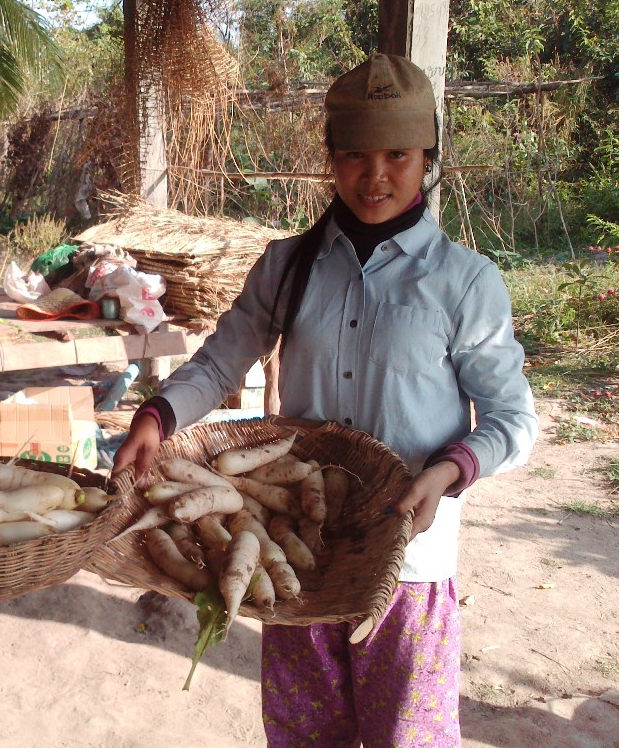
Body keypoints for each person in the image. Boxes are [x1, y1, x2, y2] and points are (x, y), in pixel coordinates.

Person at [113, 54, 538, 747]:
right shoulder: (287, 265)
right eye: (354, 156)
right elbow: (223, 358)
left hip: (409, 567)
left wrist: (452, 468)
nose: (375, 177)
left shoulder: (464, 283)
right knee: (307, 738)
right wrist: (157, 416)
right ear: (330, 159)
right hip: (299, 563)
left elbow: (515, 421)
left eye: (398, 154)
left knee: (411, 738)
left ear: (427, 153)